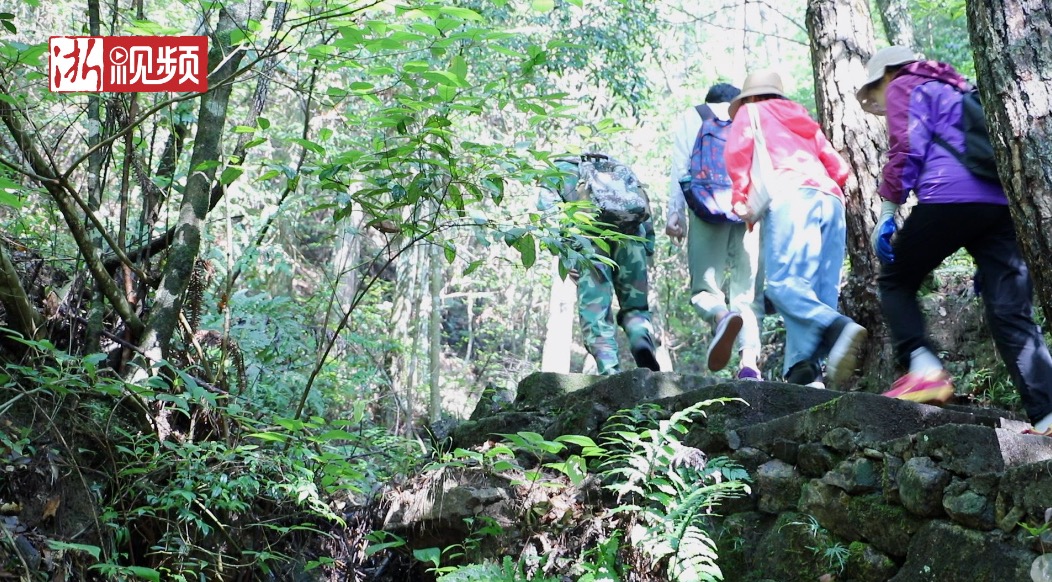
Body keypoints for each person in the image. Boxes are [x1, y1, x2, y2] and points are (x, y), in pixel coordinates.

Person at [856, 46, 1052, 435]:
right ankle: (1048, 415)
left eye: (874, 92)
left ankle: (924, 367)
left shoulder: (903, 84)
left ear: (885, 75)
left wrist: (888, 211)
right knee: (1010, 311)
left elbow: (906, 147)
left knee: (896, 280)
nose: (878, 101)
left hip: (949, 196)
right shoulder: (957, 87)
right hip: (999, 203)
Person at [724, 69, 867, 387]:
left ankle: (837, 327)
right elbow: (839, 169)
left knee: (782, 286)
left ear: (751, 97)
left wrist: (740, 201)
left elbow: (737, 155)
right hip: (831, 200)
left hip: (791, 197)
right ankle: (805, 373)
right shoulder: (803, 119)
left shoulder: (751, 112)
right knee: (818, 292)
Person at [667, 83, 764, 380]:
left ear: (708, 100)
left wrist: (674, 214)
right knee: (747, 293)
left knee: (704, 290)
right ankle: (749, 363)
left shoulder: (693, 116)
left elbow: (681, 166)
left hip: (707, 207)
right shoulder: (751, 116)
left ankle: (721, 318)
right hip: (748, 209)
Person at [539, 155, 662, 375]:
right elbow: (644, 208)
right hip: (632, 237)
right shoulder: (618, 167)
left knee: (596, 311)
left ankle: (609, 369)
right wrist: (648, 247)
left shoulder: (557, 171)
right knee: (636, 307)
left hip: (590, 241)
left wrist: (567, 255)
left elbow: (549, 217)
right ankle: (640, 338)